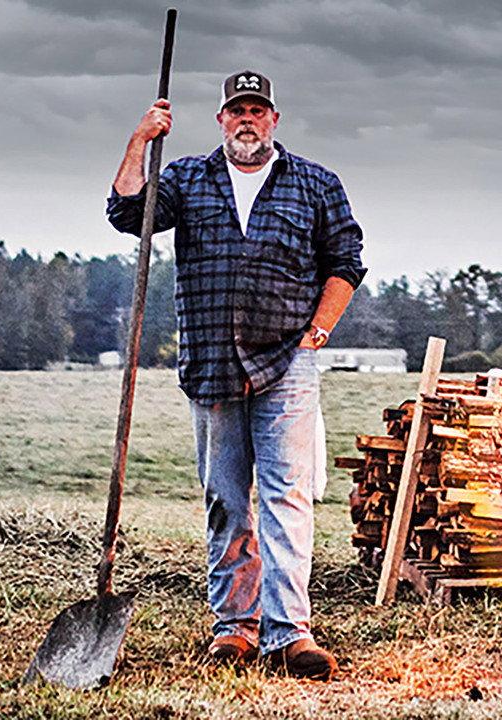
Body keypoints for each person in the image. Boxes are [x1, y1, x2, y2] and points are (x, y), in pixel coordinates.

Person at [106, 70, 365, 680]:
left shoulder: (315, 184)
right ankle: (235, 627)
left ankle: (288, 634)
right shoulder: (187, 179)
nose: (248, 119)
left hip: (287, 360)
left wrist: (319, 329)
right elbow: (127, 213)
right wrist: (140, 139)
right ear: (221, 119)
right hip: (213, 361)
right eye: (237, 110)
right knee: (225, 499)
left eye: (258, 109)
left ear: (274, 118)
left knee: (286, 497)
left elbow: (346, 262)